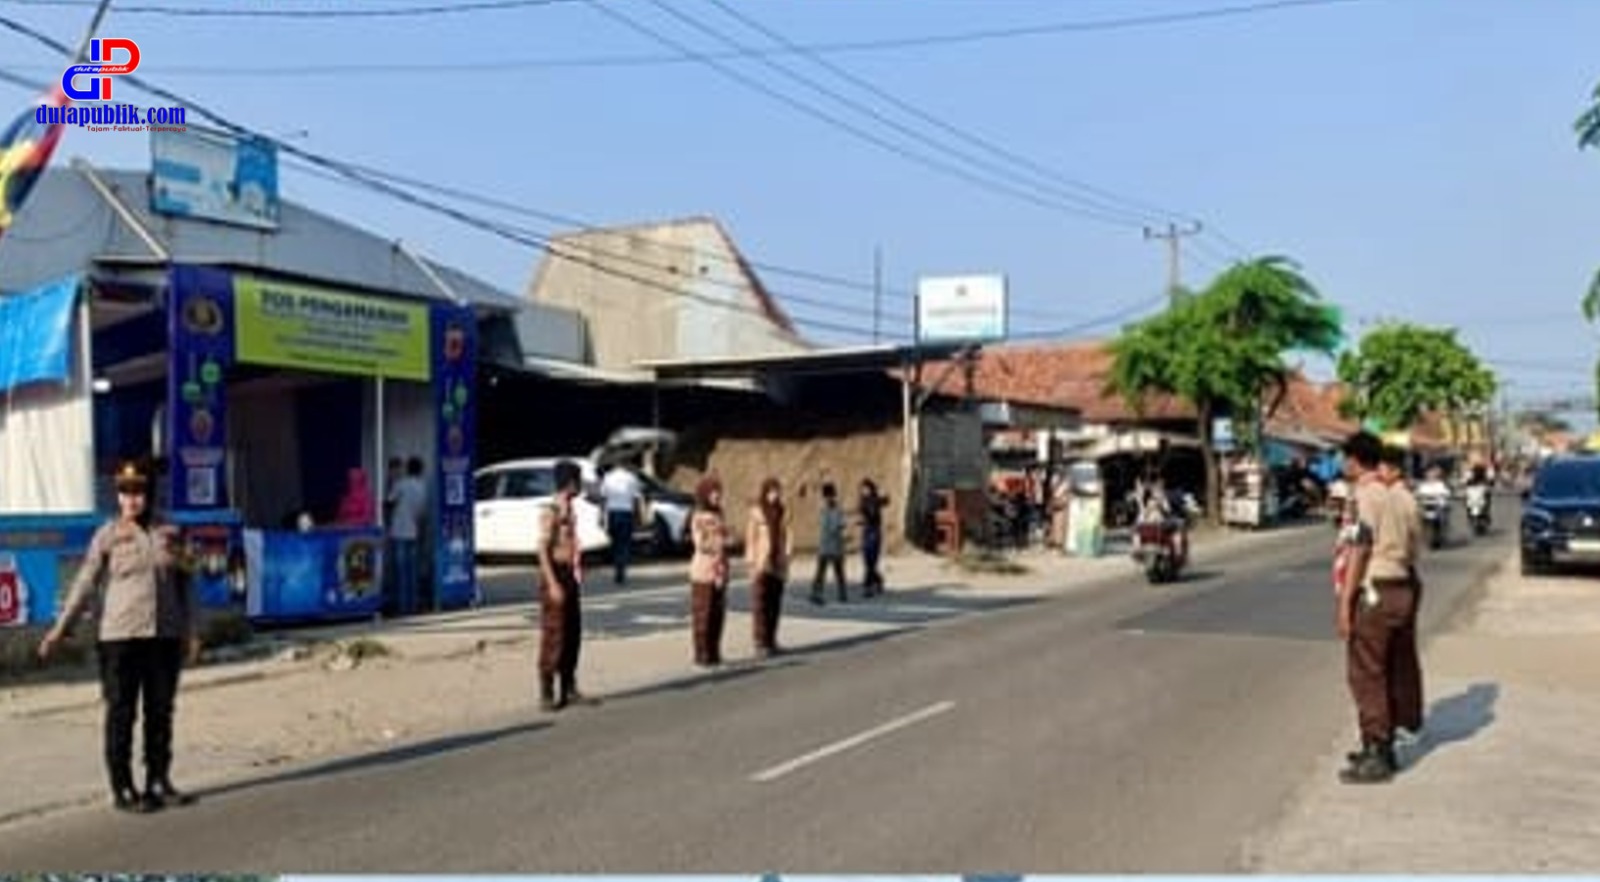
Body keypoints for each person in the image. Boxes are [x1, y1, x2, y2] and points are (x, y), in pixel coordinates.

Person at [38, 462, 202, 813]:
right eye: (125, 491)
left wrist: (192, 631)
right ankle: (123, 786)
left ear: (150, 493)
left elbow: (188, 585)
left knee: (161, 711)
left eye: (138, 491)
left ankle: (158, 779)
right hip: (120, 639)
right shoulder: (107, 535)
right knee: (121, 713)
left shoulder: (173, 532)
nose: (131, 499)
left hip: (163, 636)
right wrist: (59, 628)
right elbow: (85, 582)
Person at [1334, 431, 1423, 784]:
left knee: (1366, 672)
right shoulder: (1396, 496)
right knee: (1388, 667)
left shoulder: (1364, 496)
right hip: (1400, 584)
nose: (1343, 465)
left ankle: (1378, 751)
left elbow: (1360, 548)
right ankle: (1379, 744)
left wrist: (1344, 603)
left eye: (1345, 459)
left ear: (1355, 460)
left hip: (1375, 590)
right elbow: (1416, 545)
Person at [537, 460, 598, 710]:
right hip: (556, 576)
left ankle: (569, 687)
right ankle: (547, 692)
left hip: (570, 576)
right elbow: (541, 550)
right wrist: (553, 584)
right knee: (554, 634)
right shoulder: (551, 511)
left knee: (572, 633)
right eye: (578, 479)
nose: (581, 484)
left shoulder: (570, 510)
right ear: (570, 482)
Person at [745, 477, 792, 659]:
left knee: (775, 604)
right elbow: (751, 538)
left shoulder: (784, 511)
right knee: (760, 605)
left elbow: (788, 535)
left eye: (777, 491)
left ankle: (772, 640)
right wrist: (751, 562)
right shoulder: (756, 512)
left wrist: (787, 555)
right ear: (765, 492)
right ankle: (760, 642)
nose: (775, 495)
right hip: (761, 562)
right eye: (771, 491)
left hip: (777, 563)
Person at [687, 475, 731, 667]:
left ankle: (714, 651)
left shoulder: (720, 514)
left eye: (719, 492)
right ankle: (701, 653)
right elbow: (700, 543)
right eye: (714, 492)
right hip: (703, 570)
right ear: (705, 494)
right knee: (702, 614)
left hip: (720, 570)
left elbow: (725, 536)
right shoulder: (699, 516)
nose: (717, 496)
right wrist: (719, 542)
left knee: (717, 614)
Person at [386, 457, 428, 615]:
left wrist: (391, 481)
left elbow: (388, 502)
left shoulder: (400, 485)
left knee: (401, 573)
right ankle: (413, 606)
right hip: (414, 532)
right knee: (413, 572)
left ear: (407, 469)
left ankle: (403, 609)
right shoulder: (422, 487)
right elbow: (422, 513)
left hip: (399, 532)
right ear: (420, 470)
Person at [600, 462, 643, 586]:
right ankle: (621, 570)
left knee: (615, 542)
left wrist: (601, 516)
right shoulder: (631, 477)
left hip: (612, 513)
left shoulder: (608, 477)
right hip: (627, 513)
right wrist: (638, 517)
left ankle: (618, 568)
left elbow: (603, 498)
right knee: (624, 543)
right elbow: (636, 498)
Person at [811, 483, 848, 605]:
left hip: (837, 545)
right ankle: (816, 593)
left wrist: (840, 527)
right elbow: (824, 526)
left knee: (839, 572)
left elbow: (842, 523)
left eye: (831, 496)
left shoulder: (838, 509)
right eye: (827, 496)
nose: (829, 498)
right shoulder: (822, 509)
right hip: (825, 545)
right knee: (820, 572)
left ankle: (842, 593)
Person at [858, 479, 887, 597]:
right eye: (862, 489)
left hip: (875, 533)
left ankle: (868, 588)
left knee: (871, 562)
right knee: (867, 561)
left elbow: (886, 500)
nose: (864, 491)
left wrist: (883, 493)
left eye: (866, 488)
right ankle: (878, 581)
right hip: (866, 532)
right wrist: (861, 522)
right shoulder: (862, 501)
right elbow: (864, 516)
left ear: (870, 488)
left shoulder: (876, 500)